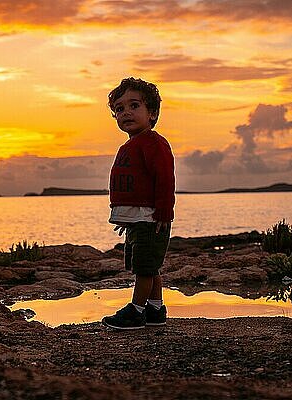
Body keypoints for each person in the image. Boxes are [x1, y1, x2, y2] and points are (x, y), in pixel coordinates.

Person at [102, 77, 175, 330]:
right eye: (120, 109)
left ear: (152, 113)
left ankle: (136, 310)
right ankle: (155, 309)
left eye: (134, 105)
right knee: (148, 266)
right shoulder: (130, 145)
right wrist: (126, 218)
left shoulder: (154, 143)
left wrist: (164, 213)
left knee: (145, 268)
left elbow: (165, 179)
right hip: (138, 220)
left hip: (152, 219)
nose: (126, 113)